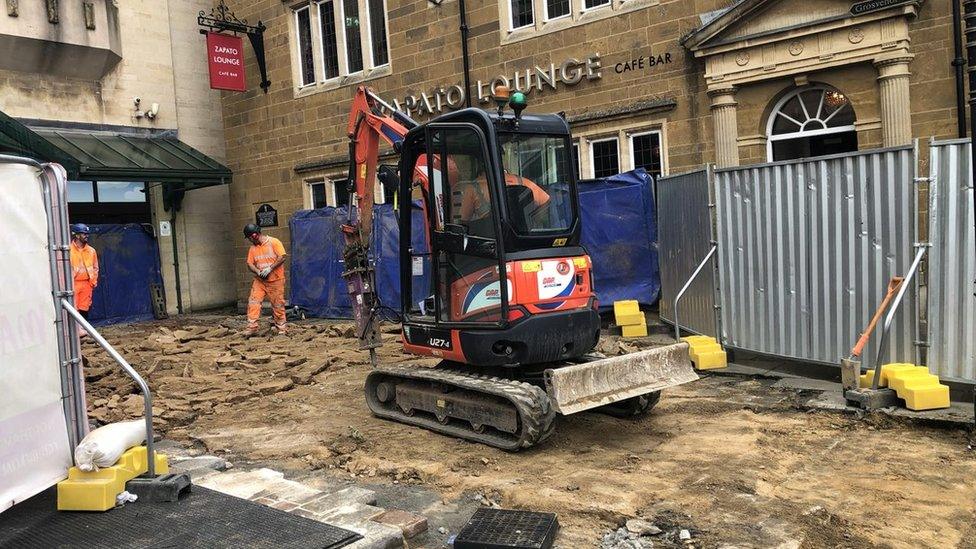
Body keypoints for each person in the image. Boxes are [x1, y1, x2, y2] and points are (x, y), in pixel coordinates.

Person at [459, 163, 550, 224]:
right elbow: (546, 200)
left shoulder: (472, 187)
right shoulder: (521, 181)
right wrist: (535, 221)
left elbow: (464, 221)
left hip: (492, 239)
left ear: (479, 172)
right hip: (523, 236)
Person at [243, 224, 288, 335]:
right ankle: (252, 327)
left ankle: (281, 328)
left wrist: (270, 268)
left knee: (278, 304)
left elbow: (282, 256)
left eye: (249, 238)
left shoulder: (274, 242)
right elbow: (250, 264)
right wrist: (258, 271)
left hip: (276, 280)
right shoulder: (253, 248)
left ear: (254, 235)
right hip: (260, 280)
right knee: (253, 302)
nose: (249, 240)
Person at [69, 223, 98, 322]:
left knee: (84, 307)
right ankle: (75, 332)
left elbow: (95, 268)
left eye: (87, 234)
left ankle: (83, 330)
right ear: (76, 235)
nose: (86, 236)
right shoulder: (68, 250)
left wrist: (93, 281)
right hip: (73, 283)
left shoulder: (91, 251)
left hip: (87, 283)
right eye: (84, 234)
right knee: (74, 307)